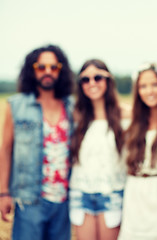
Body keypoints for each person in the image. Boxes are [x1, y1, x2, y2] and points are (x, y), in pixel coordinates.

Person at [0, 44, 74, 240]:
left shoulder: (72, 106)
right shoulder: (16, 106)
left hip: (64, 202)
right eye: (41, 67)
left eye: (53, 67)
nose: (47, 72)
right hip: (29, 201)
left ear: (61, 70)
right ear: (31, 70)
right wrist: (3, 193)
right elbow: (6, 150)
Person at [69, 59, 131, 240]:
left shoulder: (125, 114)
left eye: (98, 77)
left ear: (108, 80)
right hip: (80, 192)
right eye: (85, 80)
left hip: (112, 192)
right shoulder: (76, 116)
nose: (92, 83)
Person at [118, 63, 157, 240]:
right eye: (143, 86)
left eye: (155, 85)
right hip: (135, 194)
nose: (149, 91)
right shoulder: (131, 122)